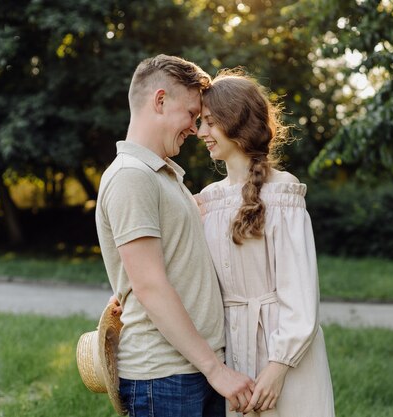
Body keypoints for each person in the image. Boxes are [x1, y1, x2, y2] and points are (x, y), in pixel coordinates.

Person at [95, 55, 254, 417]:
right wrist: (216, 370)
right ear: (160, 100)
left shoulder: (163, 176)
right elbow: (150, 286)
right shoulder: (132, 176)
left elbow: (164, 265)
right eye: (192, 115)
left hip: (193, 368)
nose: (196, 130)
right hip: (164, 377)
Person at [194, 70, 336, 416]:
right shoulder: (207, 201)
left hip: (284, 354)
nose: (201, 133)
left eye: (210, 122)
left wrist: (278, 367)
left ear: (235, 121)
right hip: (230, 351)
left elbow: (299, 294)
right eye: (199, 122)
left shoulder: (282, 193)